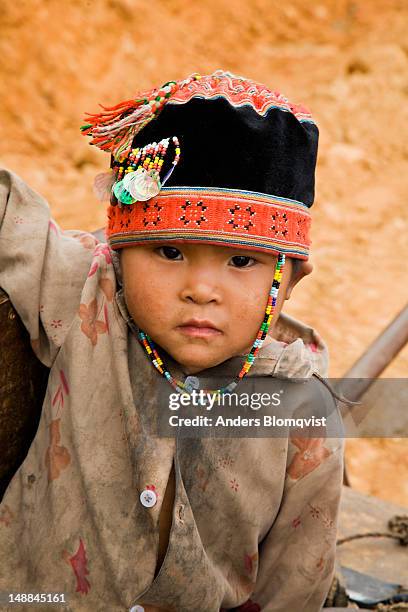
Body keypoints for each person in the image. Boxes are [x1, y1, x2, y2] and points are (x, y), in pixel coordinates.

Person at [0, 70, 344, 612]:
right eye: (169, 252)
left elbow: (295, 584)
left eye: (240, 260)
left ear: (289, 281)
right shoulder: (85, 299)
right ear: (119, 251)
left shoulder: (302, 415)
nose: (202, 290)